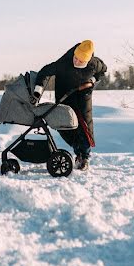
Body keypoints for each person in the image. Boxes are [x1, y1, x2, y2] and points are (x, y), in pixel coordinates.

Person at [30, 39, 106, 170]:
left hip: (83, 95)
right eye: (76, 58)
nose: (76, 61)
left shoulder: (94, 64)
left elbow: (103, 71)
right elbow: (44, 72)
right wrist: (38, 90)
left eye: (80, 61)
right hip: (65, 96)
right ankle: (77, 149)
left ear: (87, 61)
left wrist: (92, 81)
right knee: (63, 125)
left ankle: (84, 158)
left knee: (85, 128)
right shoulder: (64, 63)